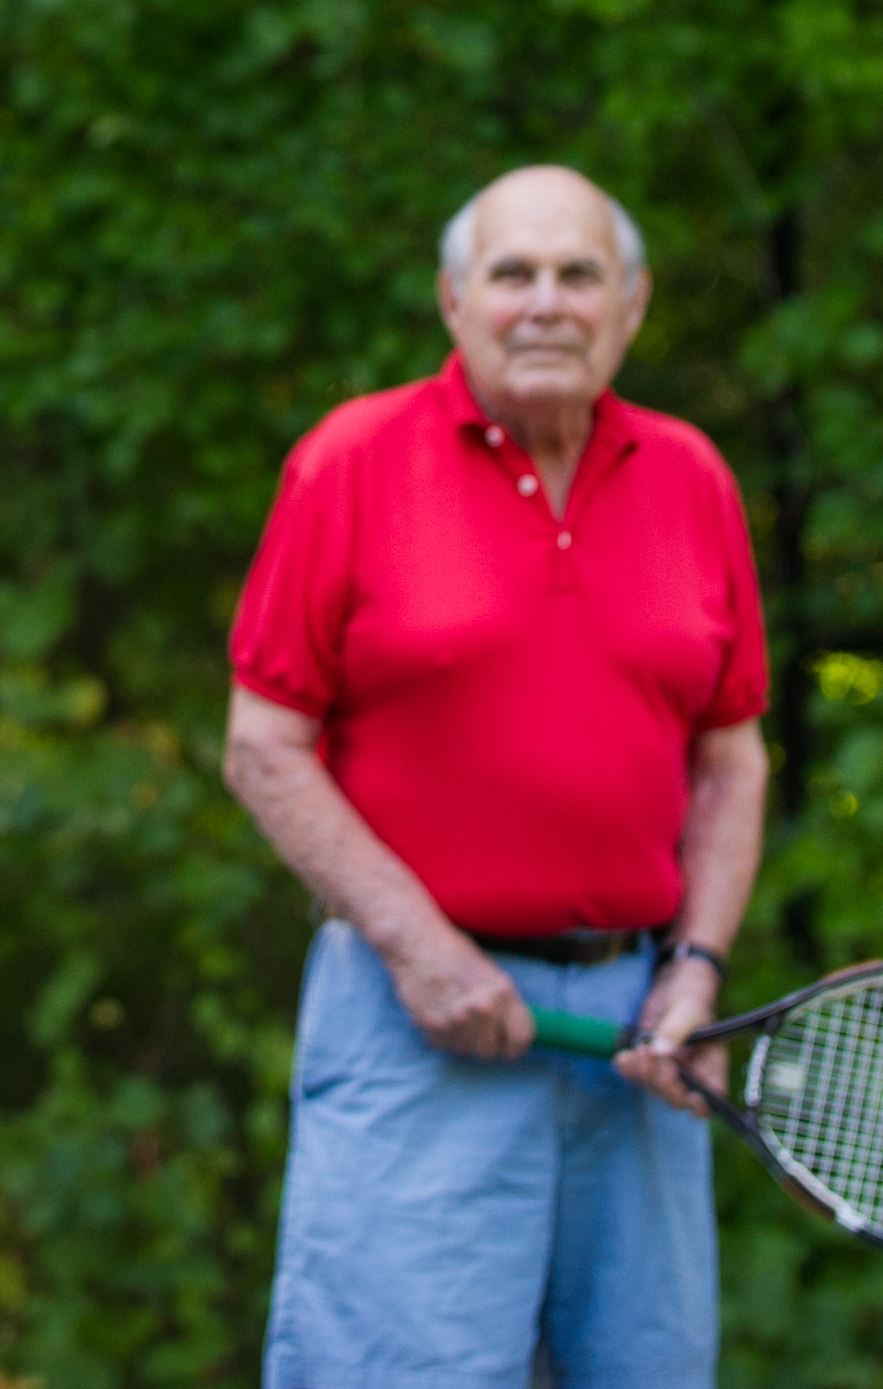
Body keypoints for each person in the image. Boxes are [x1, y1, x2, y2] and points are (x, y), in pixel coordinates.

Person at [223, 165, 772, 1389]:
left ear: (628, 306)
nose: (544, 302)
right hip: (412, 1022)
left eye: (577, 274)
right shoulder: (350, 461)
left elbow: (731, 760)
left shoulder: (693, 478)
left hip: (633, 1032)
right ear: (451, 300)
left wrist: (694, 974)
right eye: (510, 272)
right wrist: (420, 949)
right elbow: (262, 744)